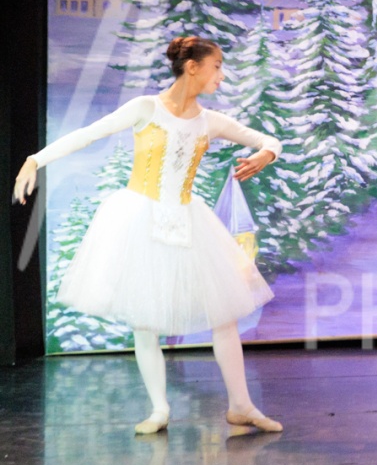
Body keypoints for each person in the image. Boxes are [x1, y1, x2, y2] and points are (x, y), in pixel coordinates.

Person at [11, 36, 284, 434]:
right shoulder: (146, 108)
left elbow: (267, 139)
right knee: (145, 319)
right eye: (217, 66)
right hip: (140, 218)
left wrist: (267, 153)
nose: (222, 76)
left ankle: (241, 405)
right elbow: (89, 133)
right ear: (192, 67)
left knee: (223, 317)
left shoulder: (210, 121)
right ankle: (159, 409)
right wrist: (35, 160)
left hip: (189, 220)